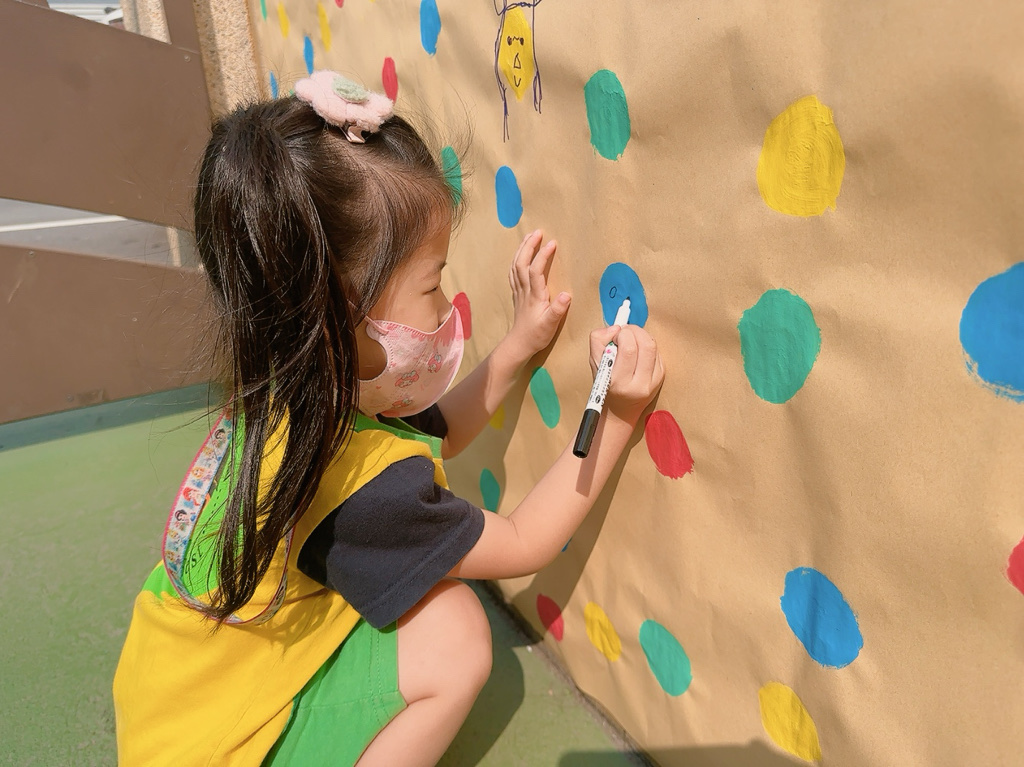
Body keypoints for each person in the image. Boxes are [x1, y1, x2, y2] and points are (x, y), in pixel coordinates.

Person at [113, 70, 664, 767]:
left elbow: (436, 430)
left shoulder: (292, 388)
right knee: (456, 633)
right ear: (343, 310)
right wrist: (617, 415)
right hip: (217, 748)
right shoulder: (364, 495)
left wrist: (520, 344)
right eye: (433, 283)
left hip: (174, 695)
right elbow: (524, 541)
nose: (445, 307)